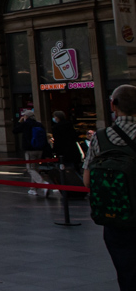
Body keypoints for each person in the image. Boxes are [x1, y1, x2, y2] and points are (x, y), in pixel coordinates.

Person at [84, 85, 136, 291]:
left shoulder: (100, 137)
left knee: (126, 273)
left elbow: (87, 180)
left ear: (114, 106)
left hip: (118, 217)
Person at [12, 109, 48, 197]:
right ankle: (33, 189)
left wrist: (19, 122)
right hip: (40, 149)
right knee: (35, 168)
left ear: (26, 117)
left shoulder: (26, 124)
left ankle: (43, 184)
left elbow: (15, 131)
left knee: (30, 168)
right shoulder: (39, 124)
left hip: (30, 150)